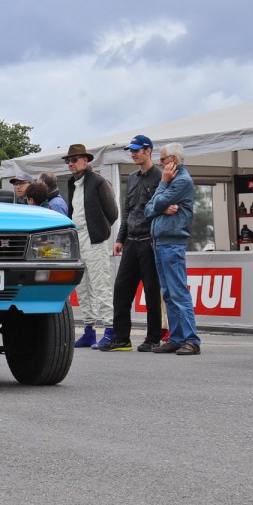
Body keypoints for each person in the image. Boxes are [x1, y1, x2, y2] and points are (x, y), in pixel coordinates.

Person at [100, 135, 164, 353]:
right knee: (121, 291)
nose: (133, 153)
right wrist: (120, 238)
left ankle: (153, 337)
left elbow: (164, 209)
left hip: (150, 242)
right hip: (132, 242)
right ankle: (122, 338)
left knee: (152, 292)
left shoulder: (160, 177)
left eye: (137, 150)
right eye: (131, 150)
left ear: (149, 151)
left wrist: (158, 238)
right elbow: (128, 210)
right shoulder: (133, 177)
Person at [146, 143, 200, 355]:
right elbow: (149, 208)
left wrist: (162, 184)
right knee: (168, 293)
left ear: (173, 161)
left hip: (172, 242)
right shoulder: (173, 182)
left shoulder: (182, 181)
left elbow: (157, 202)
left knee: (178, 292)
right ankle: (176, 337)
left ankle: (192, 340)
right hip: (161, 241)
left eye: (163, 160)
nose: (160, 164)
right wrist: (159, 205)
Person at [64, 144, 119, 348]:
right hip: (78, 239)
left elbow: (112, 212)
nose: (70, 163)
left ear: (86, 161)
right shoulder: (73, 183)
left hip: (95, 239)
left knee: (100, 285)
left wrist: (100, 230)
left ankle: (110, 330)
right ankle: (89, 330)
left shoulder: (98, 181)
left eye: (74, 160)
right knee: (83, 287)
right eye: (68, 161)